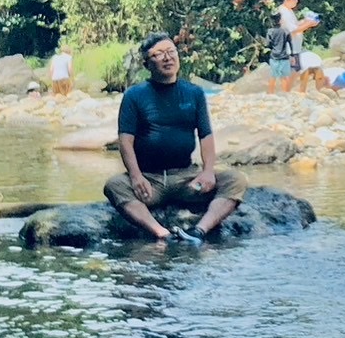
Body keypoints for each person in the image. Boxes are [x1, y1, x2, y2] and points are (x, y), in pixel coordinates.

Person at [103, 32, 248, 244]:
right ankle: (162, 233)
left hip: (187, 180)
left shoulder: (194, 93)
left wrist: (207, 172)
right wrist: (135, 176)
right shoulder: (134, 95)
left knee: (236, 179)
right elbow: (125, 141)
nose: (167, 58)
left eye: (171, 52)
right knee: (114, 185)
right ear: (147, 64)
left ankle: (199, 231)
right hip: (149, 182)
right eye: (158, 54)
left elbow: (205, 135)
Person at [277, 0, 318, 94]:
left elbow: (295, 25)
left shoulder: (288, 10)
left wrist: (306, 22)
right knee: (291, 72)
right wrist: (308, 24)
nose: (296, 1)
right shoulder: (284, 13)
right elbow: (293, 31)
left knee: (294, 72)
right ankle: (287, 94)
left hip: (294, 48)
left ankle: (289, 94)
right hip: (289, 50)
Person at [265, 16, 294, 95]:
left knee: (273, 76)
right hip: (284, 56)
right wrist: (292, 55)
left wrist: (272, 46)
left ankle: (271, 93)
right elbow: (290, 44)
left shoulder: (270, 31)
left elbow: (267, 44)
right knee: (284, 77)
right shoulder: (286, 31)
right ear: (280, 21)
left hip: (274, 56)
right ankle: (286, 93)